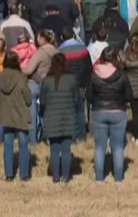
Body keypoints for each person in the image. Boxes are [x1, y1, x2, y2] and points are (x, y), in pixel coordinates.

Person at [86, 46, 132, 182]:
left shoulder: (94, 74)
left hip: (99, 112)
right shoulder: (121, 75)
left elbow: (89, 95)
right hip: (118, 112)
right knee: (117, 147)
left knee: (100, 147)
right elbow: (129, 95)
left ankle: (99, 178)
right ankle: (118, 178)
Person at [39, 54, 78, 183]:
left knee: (54, 149)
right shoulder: (72, 79)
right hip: (67, 117)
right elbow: (76, 99)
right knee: (66, 149)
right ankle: (65, 176)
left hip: (51, 118)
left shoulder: (46, 80)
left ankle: (55, 176)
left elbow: (42, 101)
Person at [0, 51, 32, 181]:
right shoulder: (21, 77)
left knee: (8, 145)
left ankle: (9, 174)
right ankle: (24, 174)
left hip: (6, 113)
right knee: (23, 144)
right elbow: (28, 98)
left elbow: (0, 94)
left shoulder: (0, 76)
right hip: (20, 114)